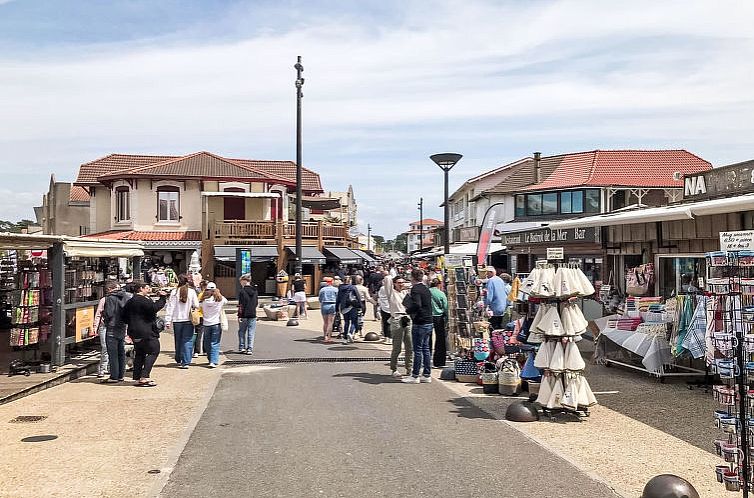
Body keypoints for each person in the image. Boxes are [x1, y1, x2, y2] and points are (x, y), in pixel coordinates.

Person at [123, 281, 167, 386]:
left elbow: (123, 317)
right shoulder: (143, 300)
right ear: (141, 289)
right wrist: (162, 298)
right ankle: (144, 376)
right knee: (154, 351)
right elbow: (154, 309)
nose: (149, 289)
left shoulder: (130, 301)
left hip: (134, 331)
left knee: (140, 353)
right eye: (147, 288)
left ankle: (137, 377)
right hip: (147, 331)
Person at [402, 268, 434, 384]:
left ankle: (415, 375)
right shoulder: (426, 288)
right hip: (429, 321)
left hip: (420, 322)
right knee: (426, 349)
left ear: (412, 277)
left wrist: (408, 310)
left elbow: (417, 305)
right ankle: (427, 374)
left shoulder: (415, 289)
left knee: (418, 349)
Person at [164, 274, 199, 369]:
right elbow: (196, 305)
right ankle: (186, 362)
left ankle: (179, 358)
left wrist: (168, 320)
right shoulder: (191, 292)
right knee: (187, 340)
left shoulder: (174, 292)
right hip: (188, 319)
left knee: (178, 340)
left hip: (177, 320)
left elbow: (170, 307)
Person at [101, 282, 132, 383]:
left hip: (112, 326)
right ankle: (121, 375)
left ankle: (114, 376)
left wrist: (104, 316)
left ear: (110, 289)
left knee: (113, 353)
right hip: (122, 326)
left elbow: (109, 313)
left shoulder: (110, 298)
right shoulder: (126, 296)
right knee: (121, 352)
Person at [384, 275, 412, 378]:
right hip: (396, 319)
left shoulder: (405, 293)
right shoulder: (391, 293)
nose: (401, 284)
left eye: (402, 282)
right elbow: (387, 280)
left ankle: (409, 368)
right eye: (399, 283)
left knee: (409, 346)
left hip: (407, 318)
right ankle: (394, 368)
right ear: (394, 283)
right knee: (397, 347)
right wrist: (391, 273)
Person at [199, 282, 228, 368]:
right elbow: (226, 301)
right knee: (215, 342)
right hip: (216, 323)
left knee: (207, 342)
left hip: (206, 323)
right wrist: (218, 293)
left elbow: (197, 305)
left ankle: (209, 359)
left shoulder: (203, 300)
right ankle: (213, 361)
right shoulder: (220, 299)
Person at [93, 281, 118, 378]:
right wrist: (95, 327)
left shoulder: (121, 299)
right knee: (105, 348)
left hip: (115, 326)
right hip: (105, 326)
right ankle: (103, 369)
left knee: (113, 348)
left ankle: (110, 367)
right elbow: (98, 314)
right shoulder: (104, 300)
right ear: (109, 290)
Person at [429, 278, 448, 368]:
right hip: (438, 317)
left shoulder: (427, 292)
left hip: (428, 316)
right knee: (440, 339)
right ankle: (439, 361)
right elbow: (445, 306)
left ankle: (427, 359)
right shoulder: (441, 293)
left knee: (427, 339)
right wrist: (447, 318)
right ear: (439, 284)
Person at [336, 276, 361, 344]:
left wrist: (337, 309)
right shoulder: (353, 287)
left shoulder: (340, 288)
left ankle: (345, 337)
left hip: (344, 307)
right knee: (353, 321)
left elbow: (338, 299)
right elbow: (358, 297)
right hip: (352, 306)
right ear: (350, 281)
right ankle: (350, 333)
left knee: (346, 322)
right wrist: (360, 306)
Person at [237, 274, 259, 355]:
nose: (240, 283)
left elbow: (241, 304)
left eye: (241, 281)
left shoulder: (242, 291)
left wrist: (239, 315)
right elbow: (256, 302)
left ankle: (242, 347)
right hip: (253, 313)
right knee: (251, 332)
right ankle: (250, 348)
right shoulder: (255, 291)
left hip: (244, 314)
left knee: (241, 331)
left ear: (244, 281)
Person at [318, 277, 338, 343]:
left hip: (324, 305)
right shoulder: (335, 289)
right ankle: (329, 337)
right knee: (330, 322)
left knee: (325, 322)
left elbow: (320, 299)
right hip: (332, 304)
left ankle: (325, 336)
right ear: (332, 282)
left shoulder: (322, 290)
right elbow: (338, 298)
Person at [193, 281, 207, 358]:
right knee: (206, 334)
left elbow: (197, 305)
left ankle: (196, 351)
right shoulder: (210, 295)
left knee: (198, 334)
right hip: (207, 316)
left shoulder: (200, 295)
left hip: (199, 315)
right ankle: (205, 350)